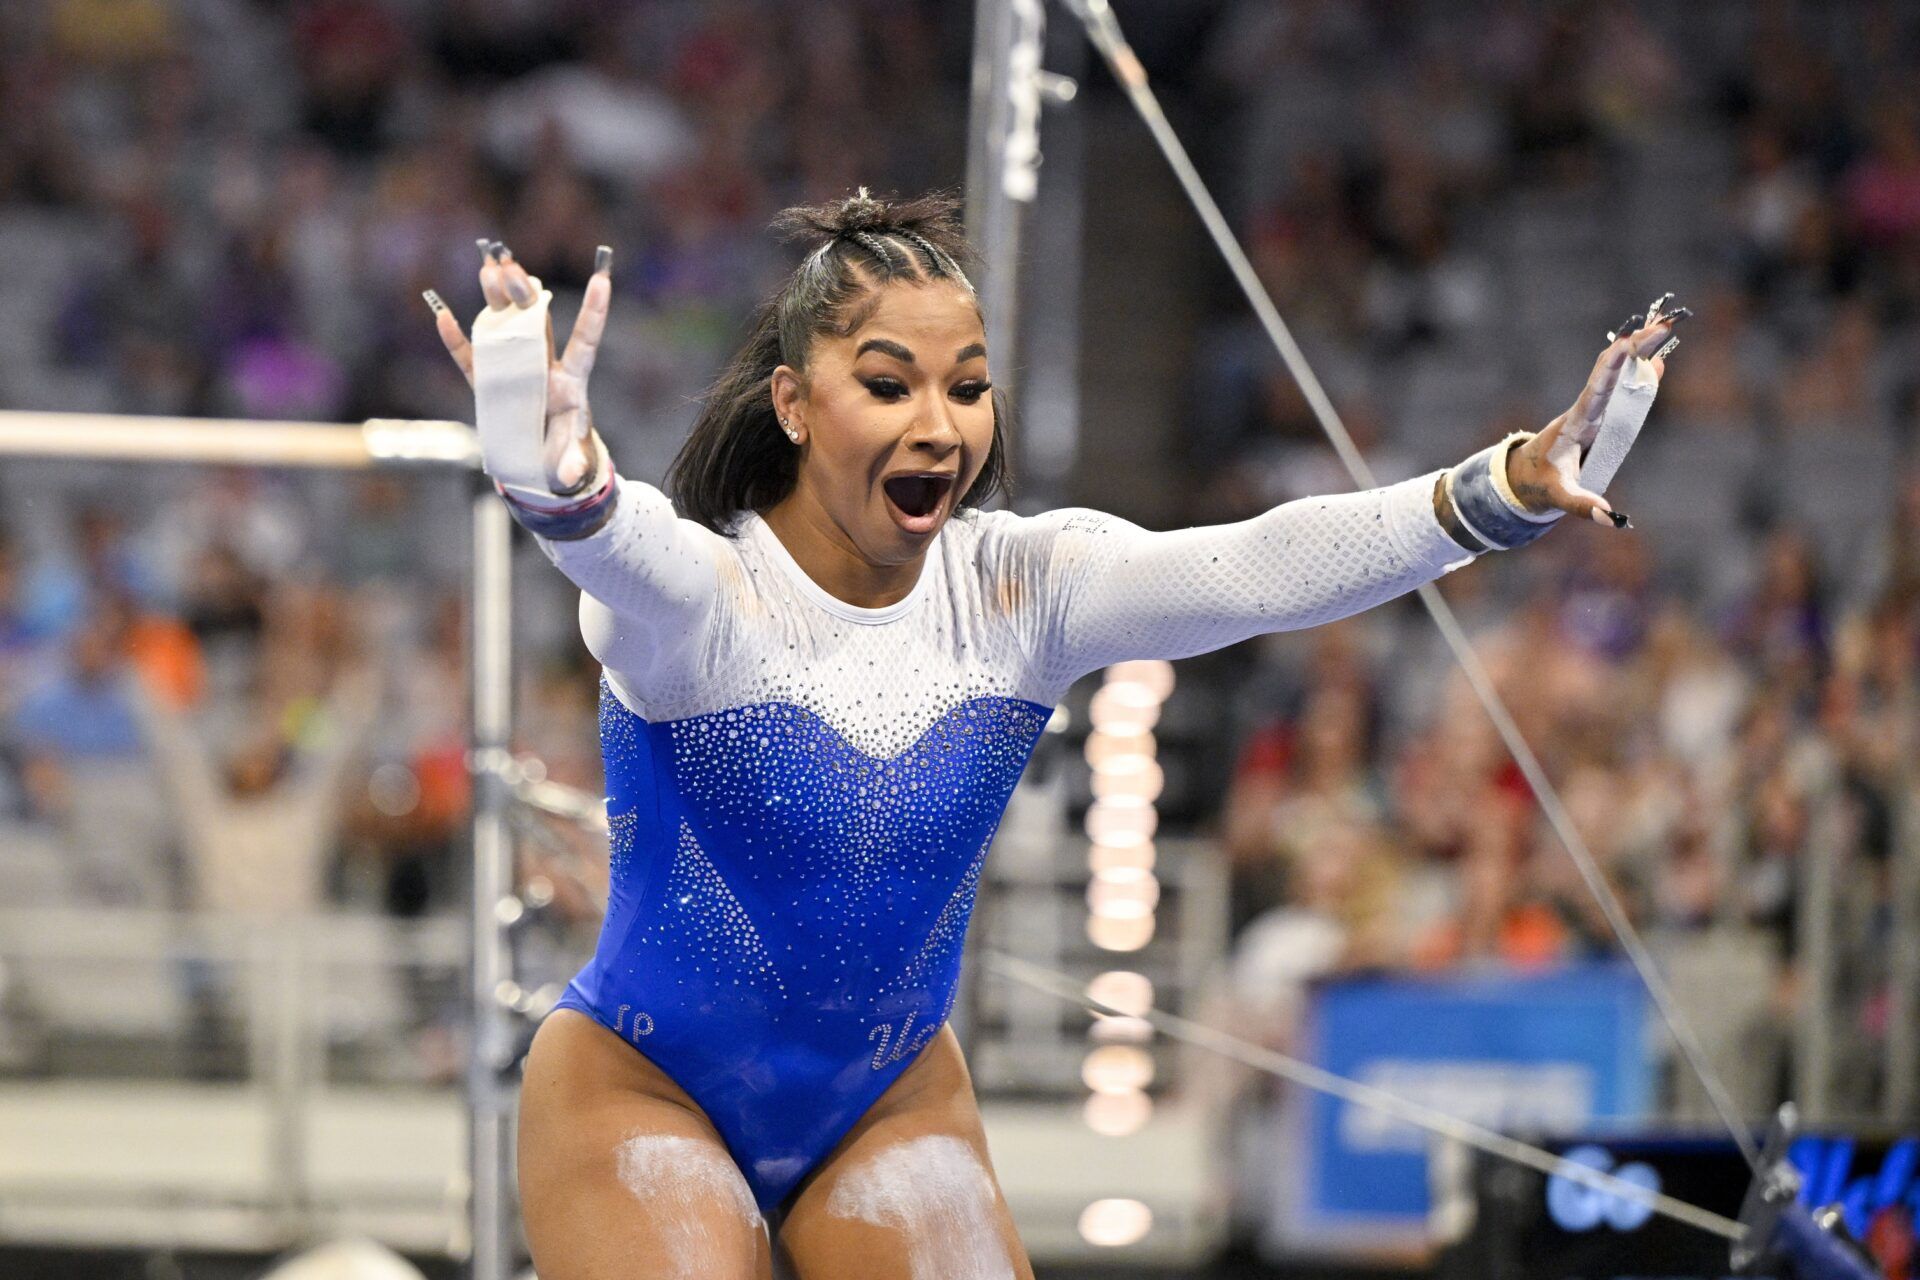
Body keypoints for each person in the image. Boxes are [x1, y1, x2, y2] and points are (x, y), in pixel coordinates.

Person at [426, 190, 1680, 1280]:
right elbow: (612, 534)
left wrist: (1498, 489)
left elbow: (1256, 566)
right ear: (795, 406)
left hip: (885, 1094)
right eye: (887, 383)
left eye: (966, 386)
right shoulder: (706, 603)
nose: (939, 424)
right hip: (644, 1081)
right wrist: (556, 471)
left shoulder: (1020, 590)